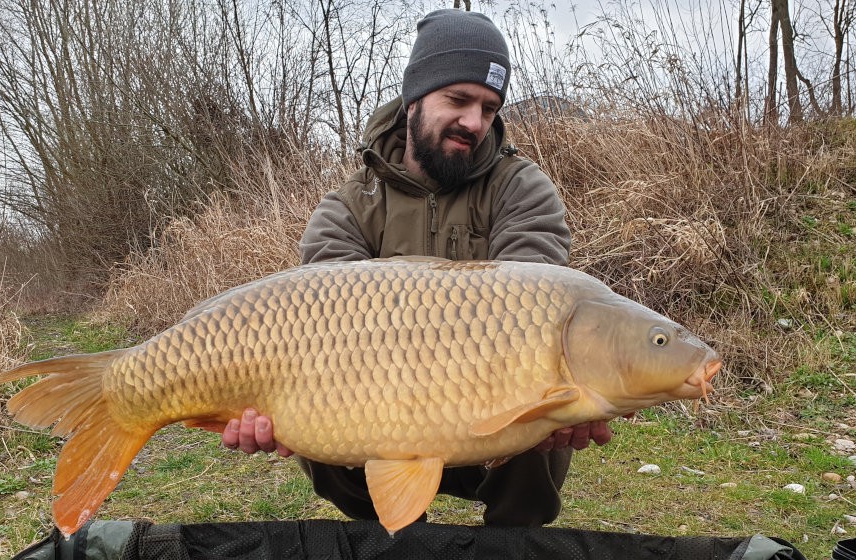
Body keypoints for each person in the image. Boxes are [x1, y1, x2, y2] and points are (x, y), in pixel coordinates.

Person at [220, 9, 612, 527]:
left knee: (545, 403)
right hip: (377, 413)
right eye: (457, 99)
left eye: (489, 108)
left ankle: (512, 540)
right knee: (316, 413)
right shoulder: (347, 208)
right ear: (414, 98)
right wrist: (271, 413)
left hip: (491, 416)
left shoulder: (522, 188)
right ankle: (394, 536)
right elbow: (316, 334)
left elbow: (532, 312)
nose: (474, 122)